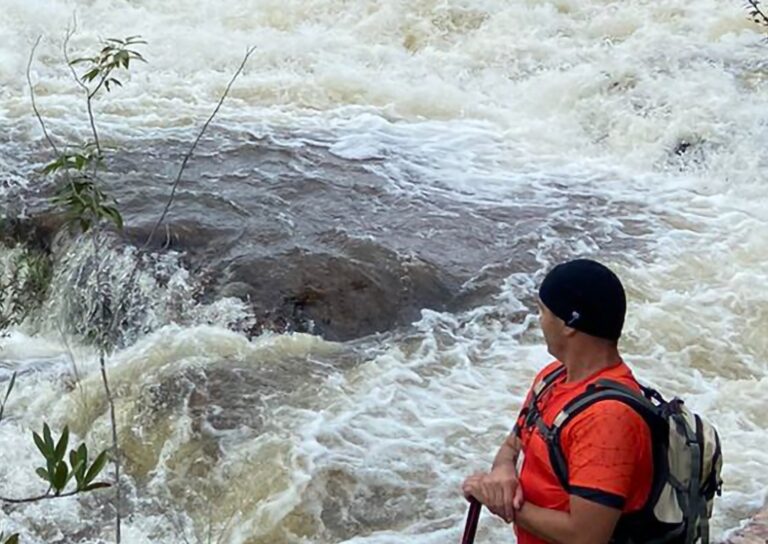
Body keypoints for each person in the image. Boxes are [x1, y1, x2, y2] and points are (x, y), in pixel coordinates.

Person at [462, 258, 653, 544]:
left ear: (569, 323)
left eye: (542, 311)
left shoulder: (607, 418)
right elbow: (513, 444)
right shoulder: (553, 377)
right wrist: (502, 473)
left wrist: (502, 503)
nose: (538, 321)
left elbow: (586, 536)